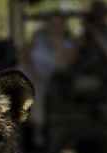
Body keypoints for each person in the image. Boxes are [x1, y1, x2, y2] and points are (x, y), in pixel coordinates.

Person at [25, 14, 76, 145]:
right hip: (30, 70)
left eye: (59, 24)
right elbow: (26, 55)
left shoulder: (68, 43)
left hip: (50, 74)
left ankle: (38, 129)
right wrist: (31, 69)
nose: (55, 27)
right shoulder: (39, 37)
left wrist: (57, 42)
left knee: (36, 87)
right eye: (52, 24)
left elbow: (63, 64)